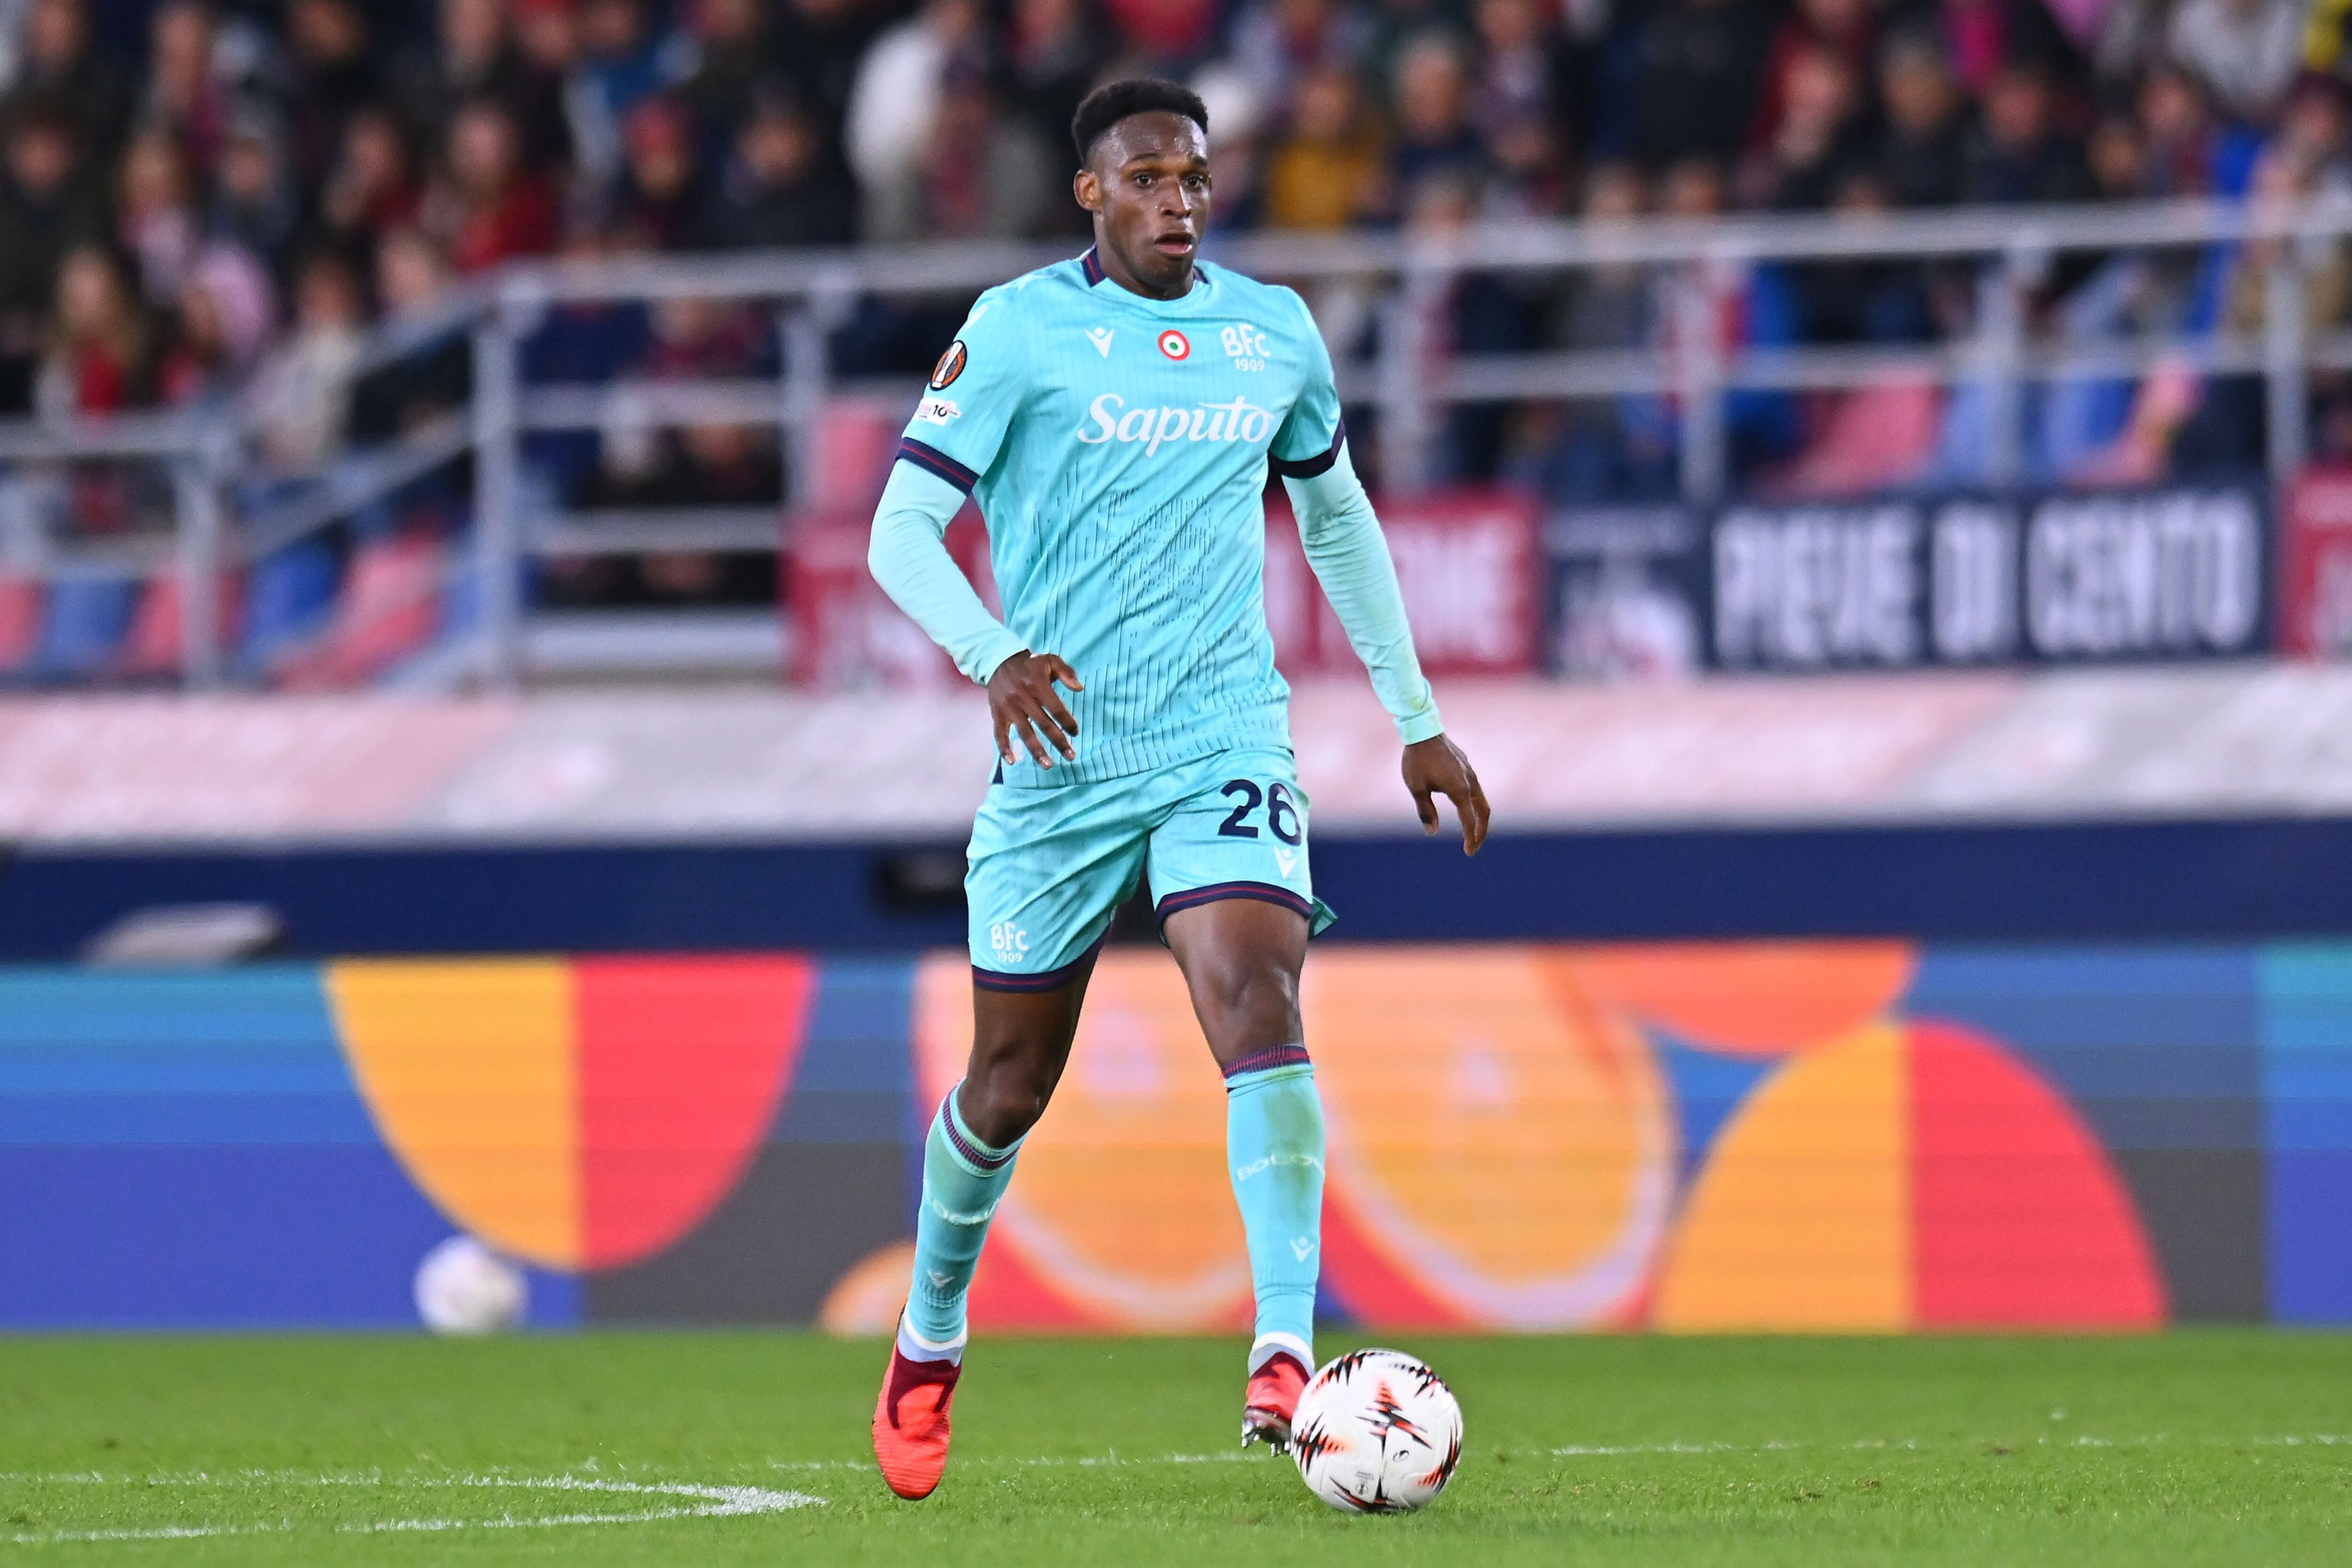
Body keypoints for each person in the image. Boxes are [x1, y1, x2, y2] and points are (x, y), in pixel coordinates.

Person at [863, 77, 1490, 1502]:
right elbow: (902, 527)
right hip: (1060, 762)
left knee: (1259, 1000)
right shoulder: (1016, 330)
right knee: (1008, 1087)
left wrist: (1417, 720)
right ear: (1091, 192)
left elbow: (1336, 517)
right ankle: (931, 1331)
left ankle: (1285, 1350)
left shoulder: (1272, 332)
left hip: (1223, 740)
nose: (1178, 202)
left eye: (1195, 178)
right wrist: (991, 653)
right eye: (1147, 179)